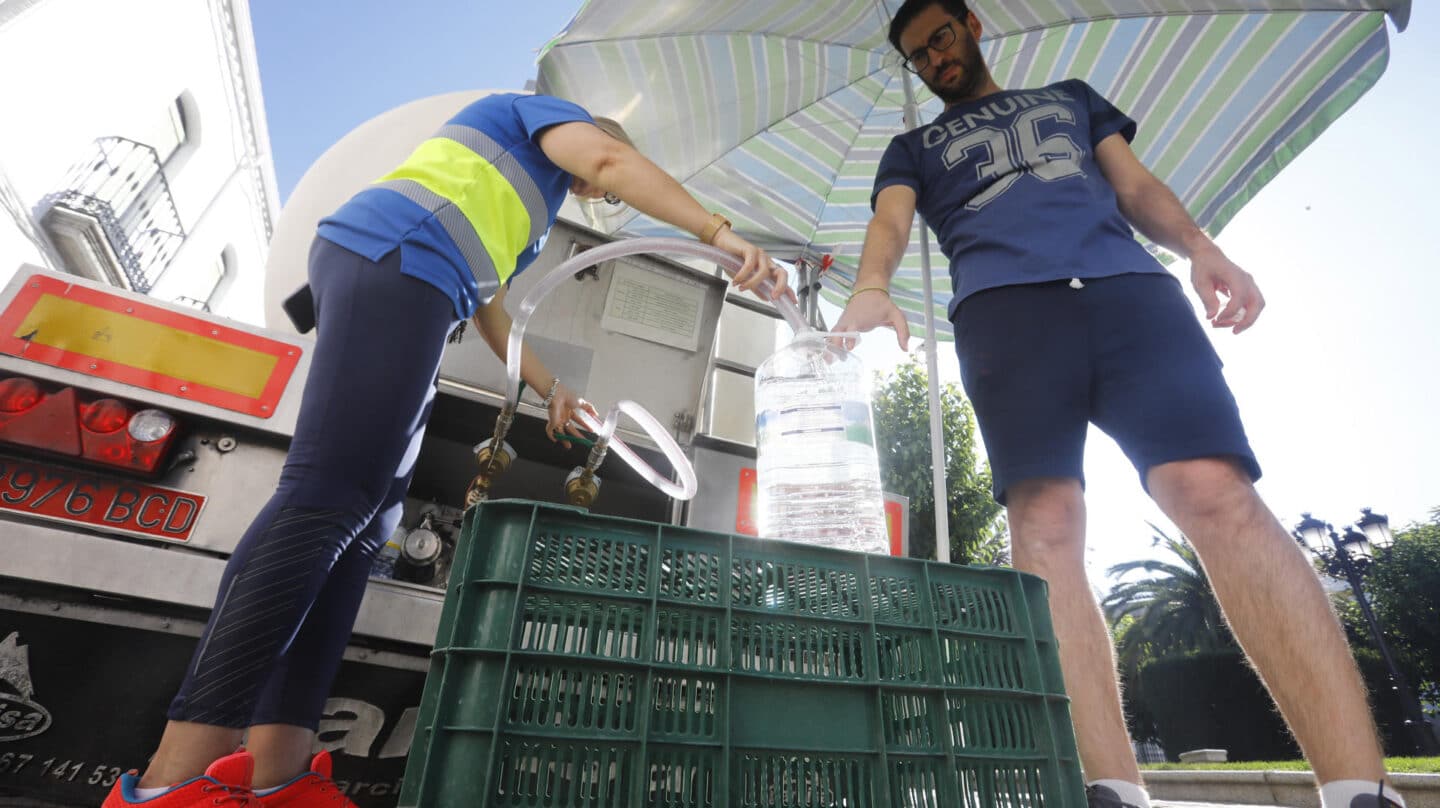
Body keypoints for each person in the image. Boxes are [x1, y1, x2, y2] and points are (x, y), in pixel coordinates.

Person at [102, 92, 789, 808]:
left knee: (365, 527)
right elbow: (611, 159)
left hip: (421, 281)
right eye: (591, 166)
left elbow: (492, 306)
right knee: (325, 498)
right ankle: (171, 782)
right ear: (579, 129)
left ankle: (279, 776)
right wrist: (719, 234)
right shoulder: (534, 113)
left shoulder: (531, 209)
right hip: (393, 255)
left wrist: (552, 387)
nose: (598, 187)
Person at [834, 4, 1407, 808]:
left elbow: (1133, 184)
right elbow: (890, 222)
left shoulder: (1070, 98)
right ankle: (1111, 791)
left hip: (1130, 292)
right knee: (1044, 524)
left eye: (939, 37)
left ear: (970, 25)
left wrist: (1201, 247)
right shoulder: (912, 147)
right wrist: (870, 288)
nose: (933, 58)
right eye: (916, 56)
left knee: (1214, 489)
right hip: (1005, 315)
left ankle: (1357, 790)